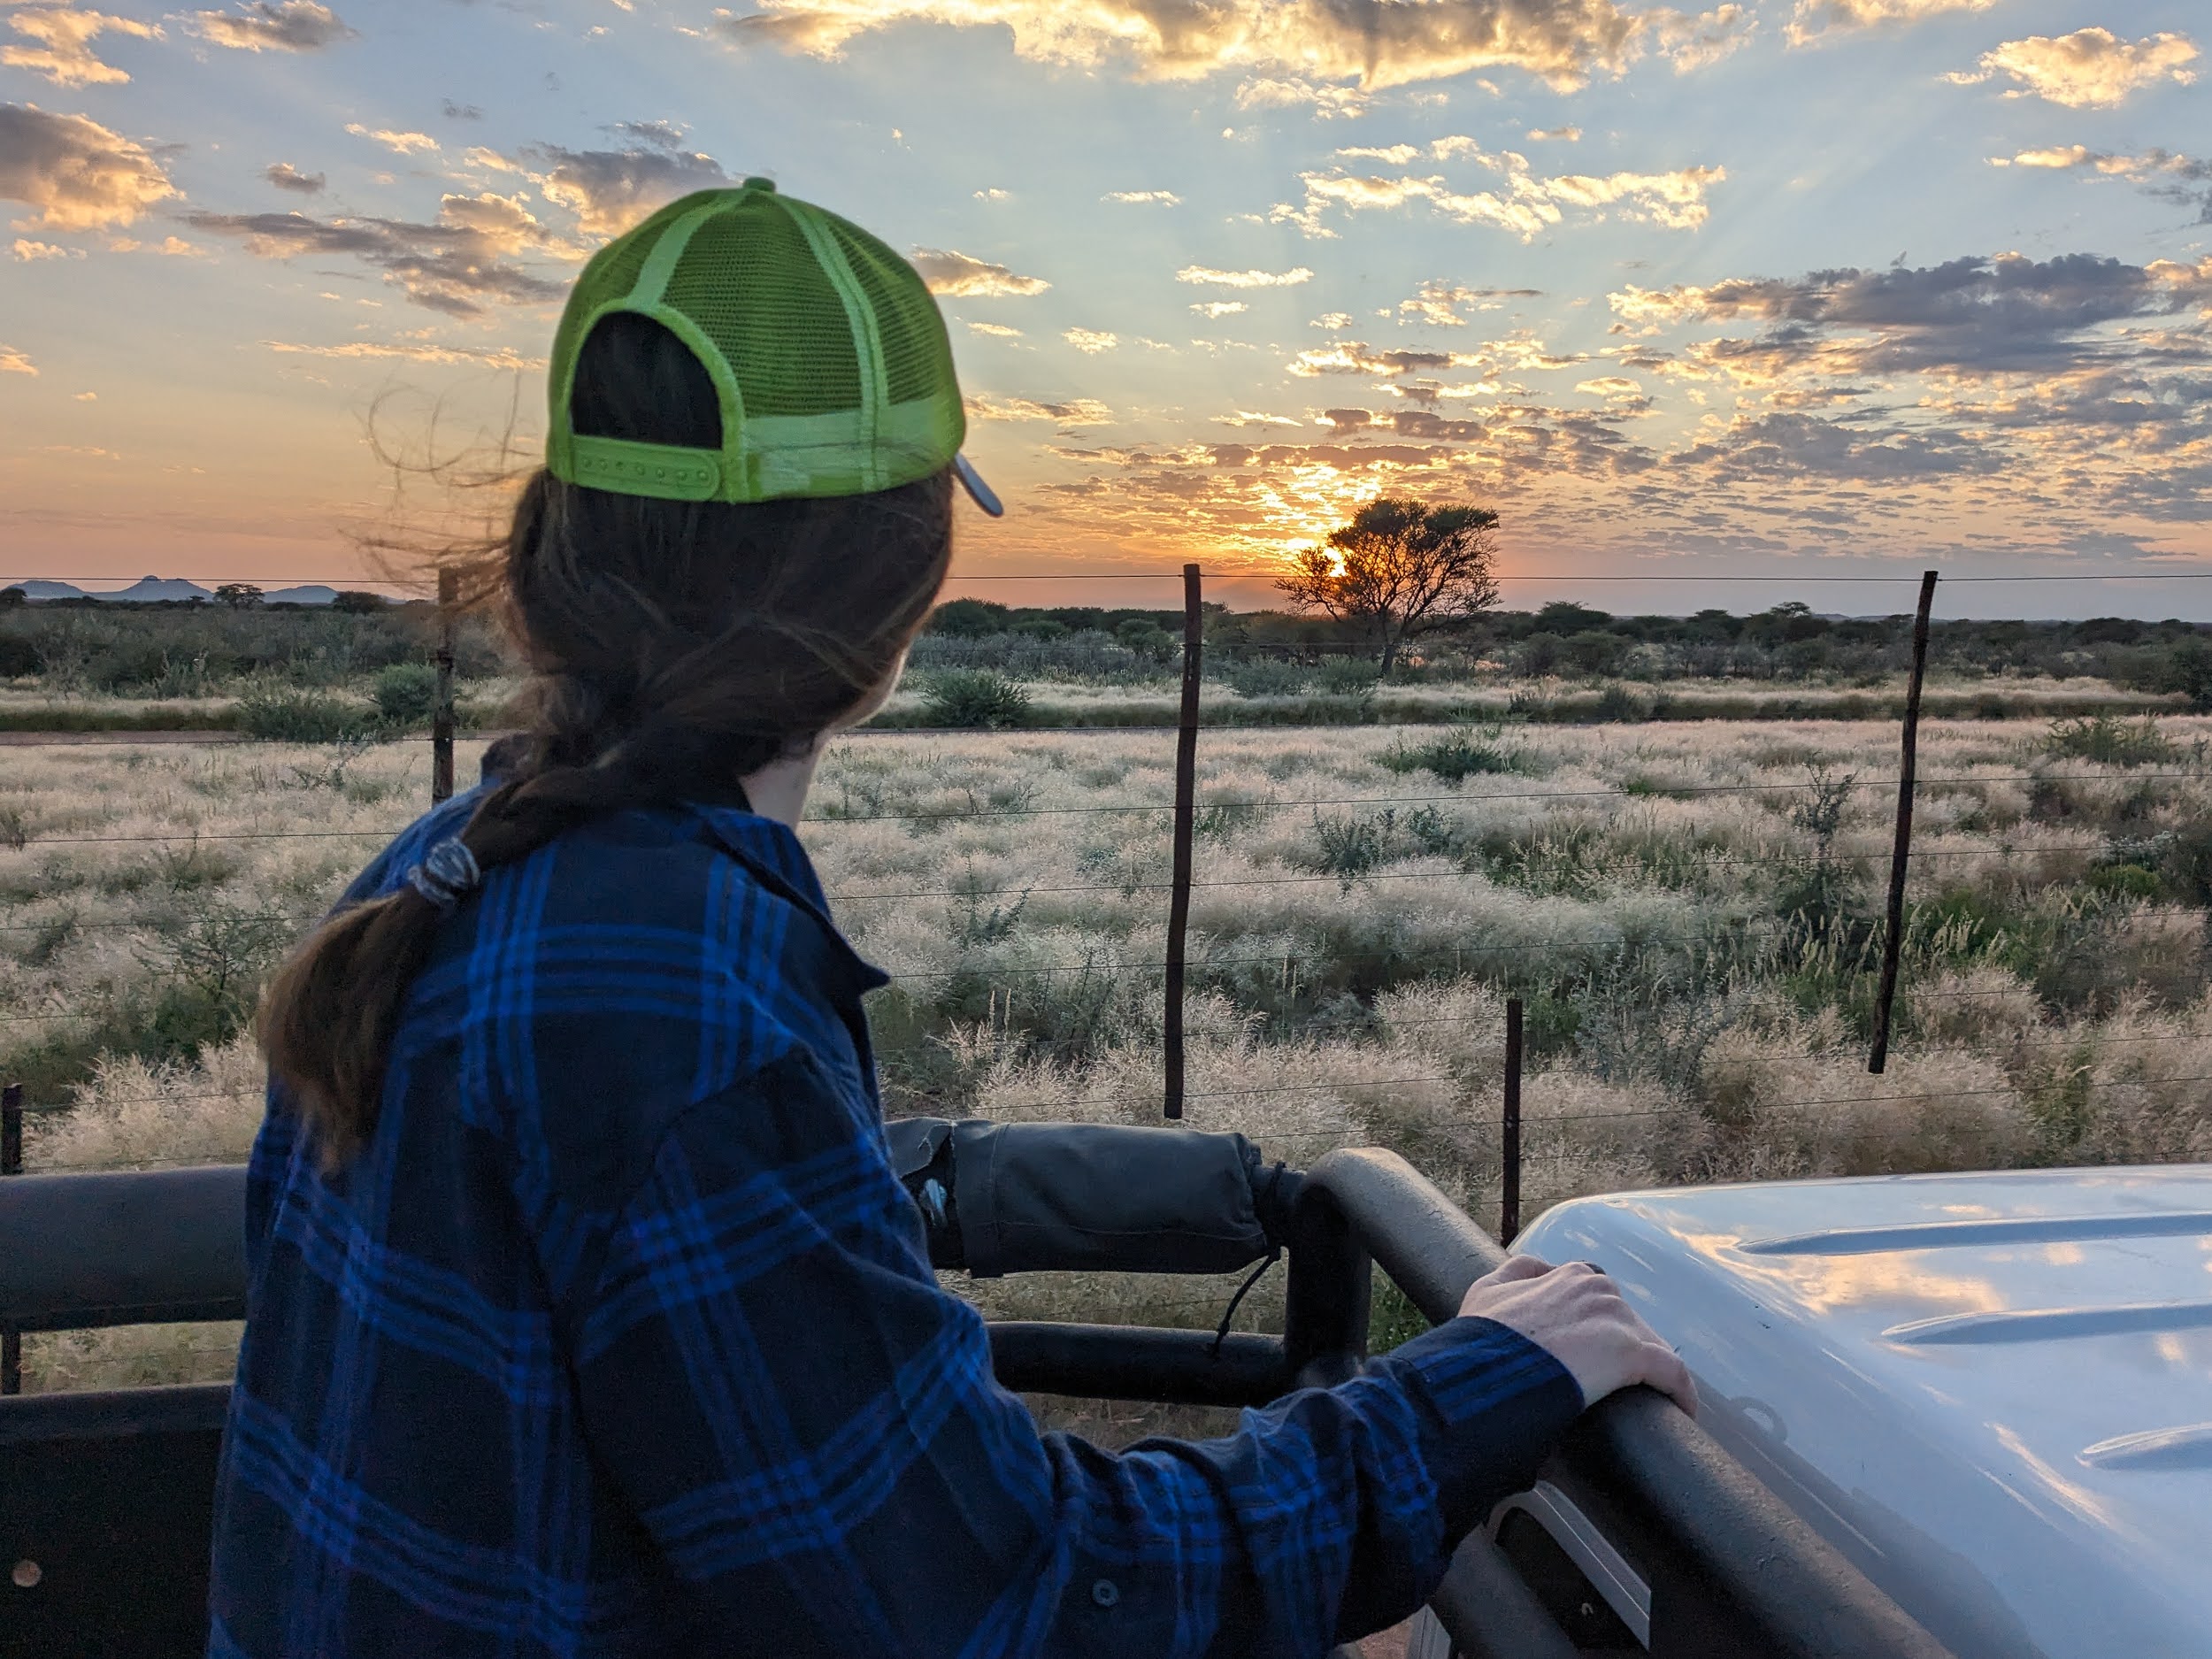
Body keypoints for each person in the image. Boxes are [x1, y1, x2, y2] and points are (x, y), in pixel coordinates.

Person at [207, 180, 1693, 1658]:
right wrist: (1467, 1391)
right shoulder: (682, 1003)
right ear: (905, 584)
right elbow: (1021, 1602)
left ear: (567, 536)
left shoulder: (443, 867)